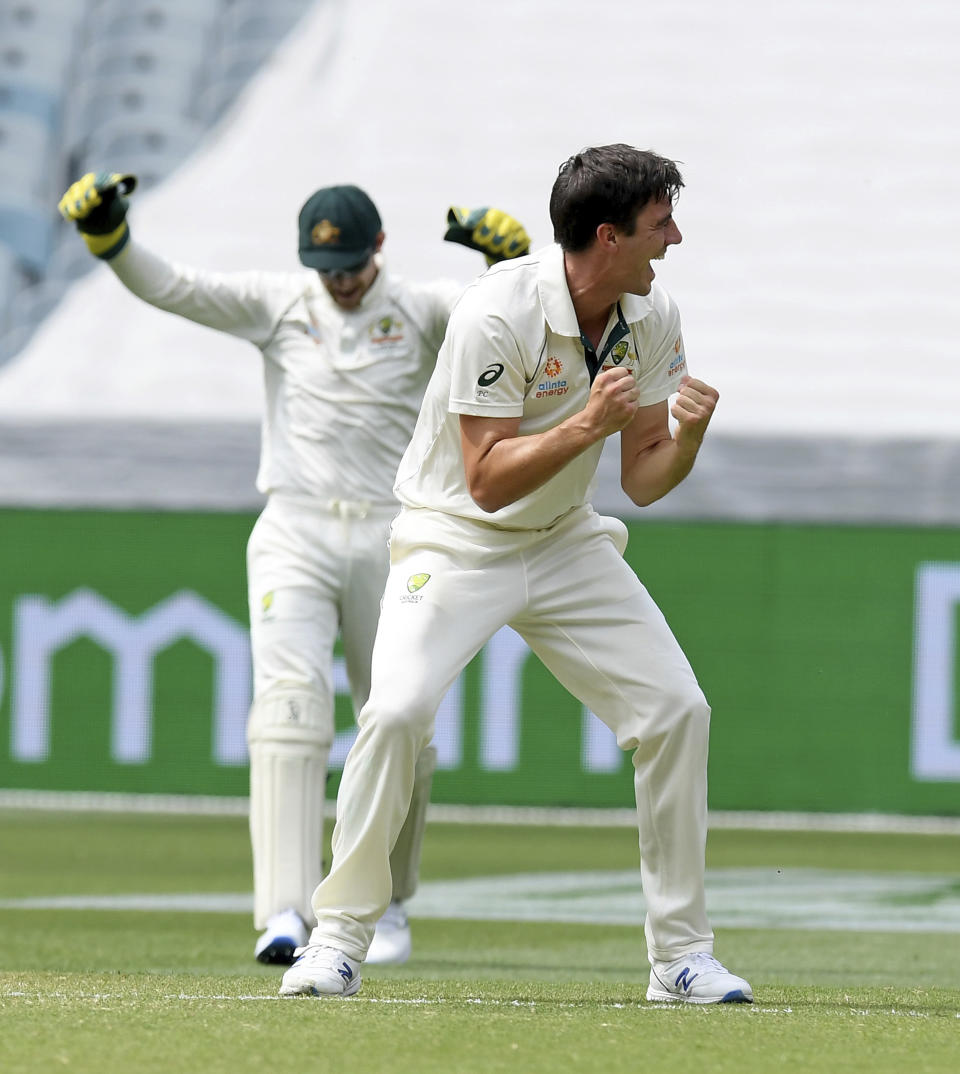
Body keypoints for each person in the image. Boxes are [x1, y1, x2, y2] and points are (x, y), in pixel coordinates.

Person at [277, 144, 754, 1005]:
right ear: (606, 237)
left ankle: (679, 957)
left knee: (677, 710)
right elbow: (488, 481)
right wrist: (582, 427)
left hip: (566, 541)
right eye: (660, 225)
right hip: (453, 540)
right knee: (395, 713)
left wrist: (686, 438)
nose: (675, 239)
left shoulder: (652, 313)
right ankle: (338, 940)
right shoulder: (496, 313)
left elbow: (643, 476)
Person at [57, 171, 530, 966]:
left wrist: (507, 269)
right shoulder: (283, 302)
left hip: (396, 534)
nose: (339, 282)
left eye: (349, 264)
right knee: (285, 711)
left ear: (378, 247)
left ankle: (385, 906)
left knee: (399, 717)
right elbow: (174, 288)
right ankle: (282, 910)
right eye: (326, 268)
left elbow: (506, 328)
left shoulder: (420, 309)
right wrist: (110, 237)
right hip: (295, 526)